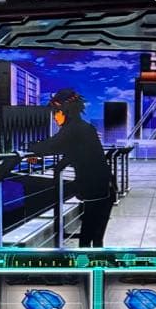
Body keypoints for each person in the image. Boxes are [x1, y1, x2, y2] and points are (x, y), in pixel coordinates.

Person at [27, 88, 116, 248]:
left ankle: (87, 263)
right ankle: (95, 263)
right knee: (95, 238)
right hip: (105, 188)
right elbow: (70, 152)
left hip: (96, 191)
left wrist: (30, 149)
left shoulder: (72, 129)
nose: (55, 117)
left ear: (65, 110)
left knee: (87, 238)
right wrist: (40, 157)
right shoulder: (85, 128)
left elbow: (51, 145)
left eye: (56, 112)